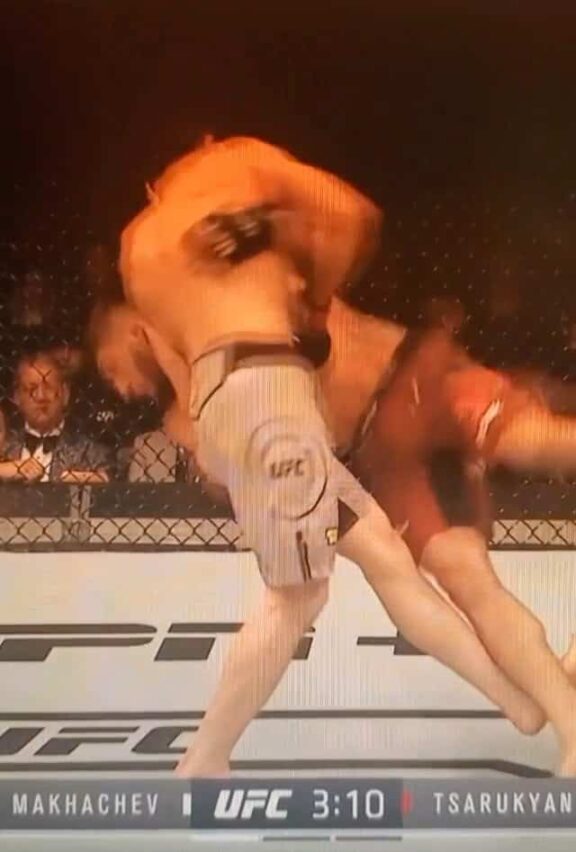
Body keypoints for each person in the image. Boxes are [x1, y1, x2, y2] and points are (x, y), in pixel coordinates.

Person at [94, 133, 552, 776]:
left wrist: (220, 437)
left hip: (237, 404)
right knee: (297, 598)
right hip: (267, 396)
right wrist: (306, 292)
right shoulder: (236, 171)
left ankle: (517, 703)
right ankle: (205, 757)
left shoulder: (139, 248)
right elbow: (353, 213)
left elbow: (180, 368)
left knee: (387, 557)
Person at [333, 311, 576, 773]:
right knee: (464, 573)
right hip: (379, 441)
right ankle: (568, 720)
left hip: (418, 376)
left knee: (542, 442)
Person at [3, 353, 112, 484]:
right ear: (16, 397)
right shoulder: (3, 448)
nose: (41, 397)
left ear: (65, 394)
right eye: (32, 389)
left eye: (49, 388)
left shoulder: (91, 453)